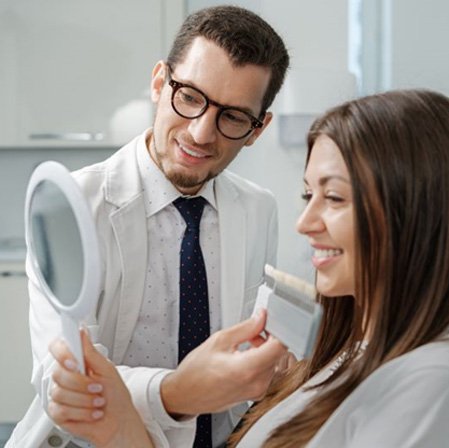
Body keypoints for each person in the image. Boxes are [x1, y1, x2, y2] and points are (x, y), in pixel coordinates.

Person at [43, 89, 449, 447]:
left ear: (419, 212)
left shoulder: (443, 384)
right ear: (160, 85)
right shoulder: (346, 355)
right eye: (309, 195)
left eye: (335, 197)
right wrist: (123, 425)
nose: (305, 223)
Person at [7, 5, 289, 448]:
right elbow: (67, 383)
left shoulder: (259, 209)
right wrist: (177, 393)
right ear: (160, 82)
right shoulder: (73, 204)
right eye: (191, 97)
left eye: (233, 117)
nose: (200, 133)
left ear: (257, 128)